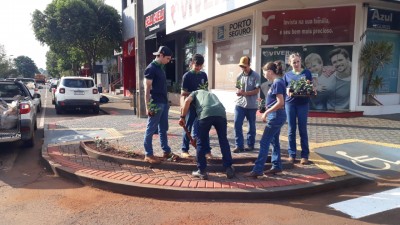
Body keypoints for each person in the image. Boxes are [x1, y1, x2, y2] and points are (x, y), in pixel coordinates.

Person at [179, 89, 235, 180]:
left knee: (201, 141)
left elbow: (186, 101)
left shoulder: (194, 93)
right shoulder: (210, 94)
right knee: (223, 140)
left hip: (206, 113)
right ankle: (229, 168)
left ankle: (201, 171)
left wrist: (182, 117)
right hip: (221, 114)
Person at [247, 61, 287, 177]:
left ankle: (258, 170)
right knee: (274, 141)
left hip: (276, 115)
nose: (264, 75)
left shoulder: (278, 82)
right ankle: (277, 166)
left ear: (270, 72)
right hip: (275, 115)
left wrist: (267, 112)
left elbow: (280, 102)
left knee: (264, 142)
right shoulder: (276, 82)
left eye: (264, 72)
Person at [143, 46, 177, 164]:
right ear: (161, 55)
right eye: (167, 58)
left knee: (163, 129)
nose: (168, 61)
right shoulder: (151, 68)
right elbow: (146, 90)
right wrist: (148, 107)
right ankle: (148, 154)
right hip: (155, 103)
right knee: (151, 129)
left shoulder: (160, 67)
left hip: (163, 102)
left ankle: (166, 151)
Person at [180, 54, 211, 159]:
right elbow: (183, 92)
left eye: (200, 66)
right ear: (192, 63)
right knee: (188, 126)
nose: (198, 68)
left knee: (203, 127)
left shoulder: (203, 75)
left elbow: (206, 90)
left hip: (201, 106)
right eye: (196, 65)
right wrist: (194, 93)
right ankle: (184, 150)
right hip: (190, 105)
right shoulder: (187, 76)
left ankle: (206, 150)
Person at [283, 53, 313, 165]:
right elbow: (285, 88)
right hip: (290, 104)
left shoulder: (307, 73)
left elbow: (310, 86)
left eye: (297, 61)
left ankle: (304, 155)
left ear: (301, 61)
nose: (296, 64)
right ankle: (292, 154)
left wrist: (310, 89)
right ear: (290, 63)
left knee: (302, 129)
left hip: (303, 104)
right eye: (293, 62)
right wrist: (287, 91)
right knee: (291, 130)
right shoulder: (287, 75)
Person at [233, 56, 261, 153]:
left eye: (245, 66)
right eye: (241, 66)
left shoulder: (256, 76)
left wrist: (244, 93)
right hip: (239, 104)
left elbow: (257, 90)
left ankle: (250, 145)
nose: (243, 68)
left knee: (251, 126)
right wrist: (238, 91)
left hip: (252, 105)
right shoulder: (239, 76)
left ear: (249, 65)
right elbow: (237, 88)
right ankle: (239, 145)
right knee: (237, 124)